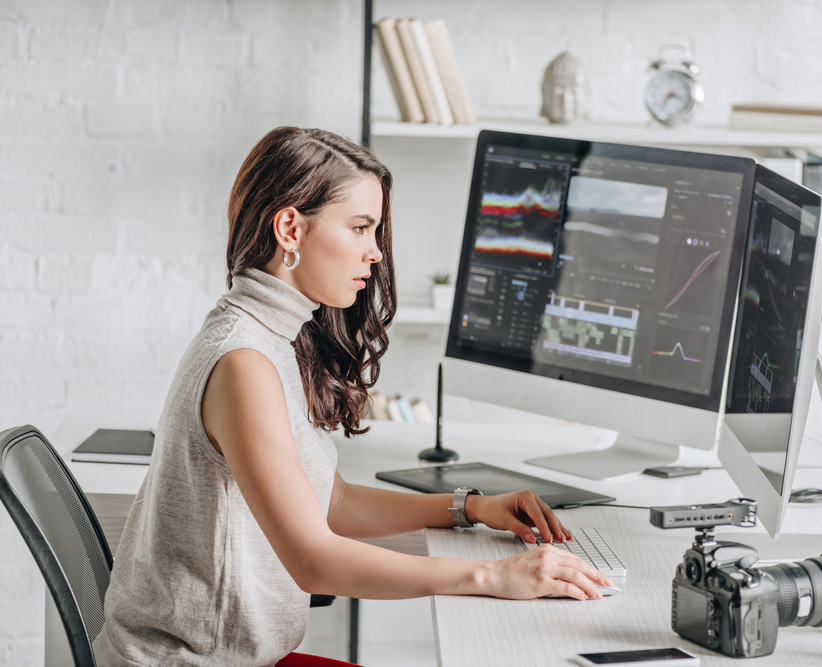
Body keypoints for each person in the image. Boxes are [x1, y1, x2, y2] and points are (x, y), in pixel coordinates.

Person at [93, 127, 610, 667]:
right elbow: (314, 561)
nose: (375, 254)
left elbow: (331, 502)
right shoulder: (243, 362)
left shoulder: (274, 338)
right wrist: (493, 575)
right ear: (290, 227)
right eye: (360, 228)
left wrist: (469, 507)